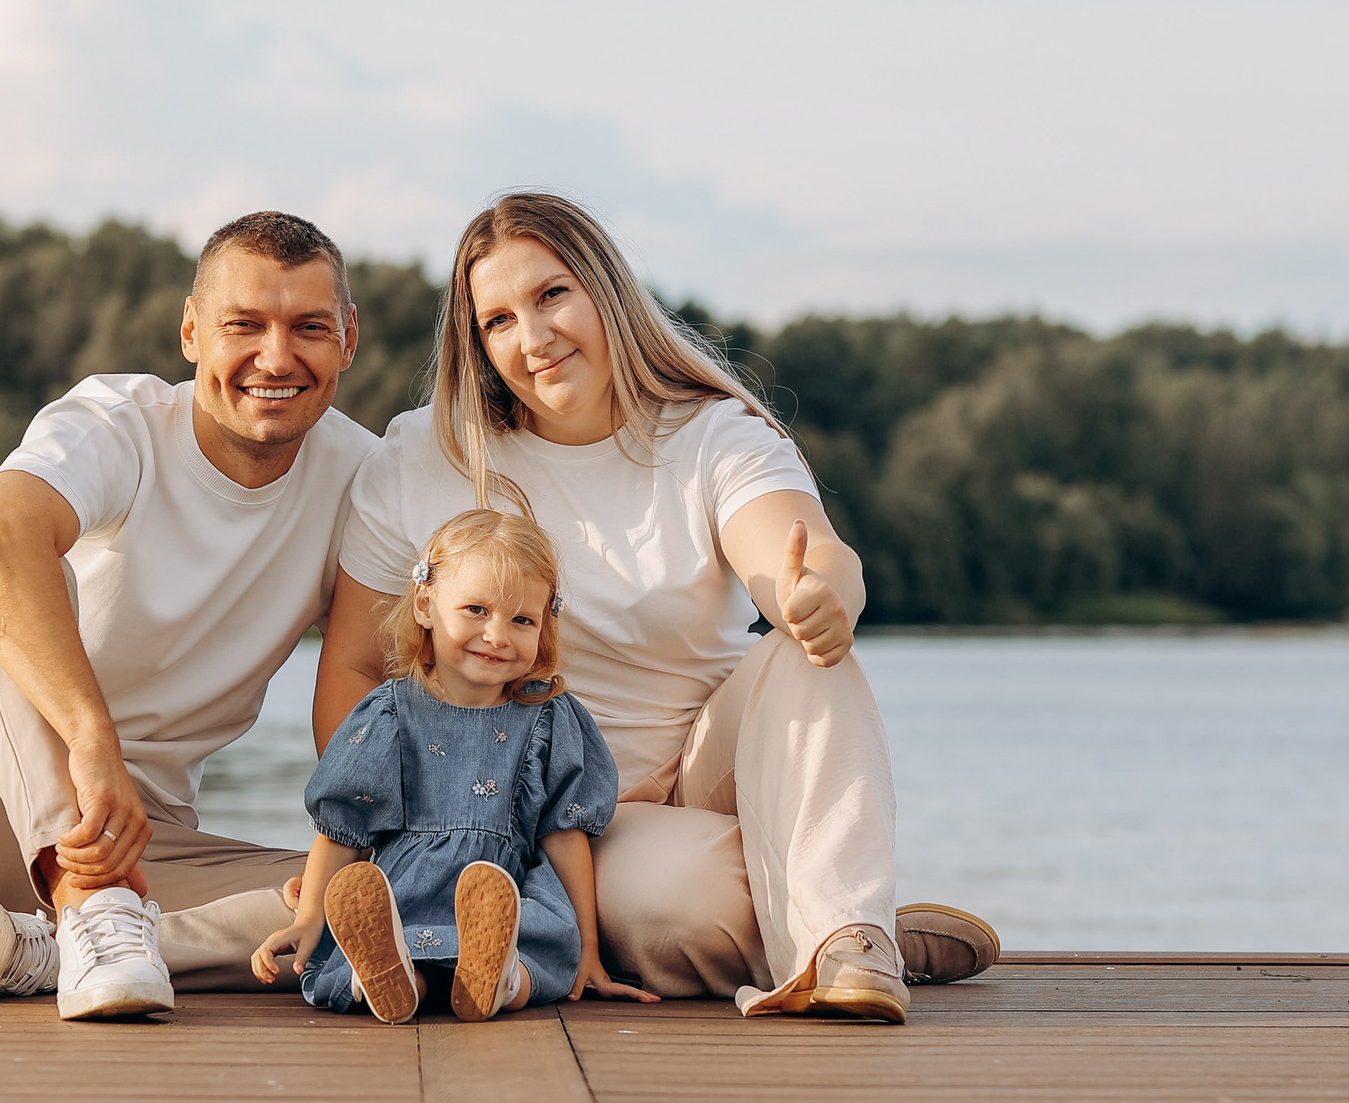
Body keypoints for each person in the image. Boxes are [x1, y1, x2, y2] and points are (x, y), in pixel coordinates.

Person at [318, 192, 999, 1023]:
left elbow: (804, 549)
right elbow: (354, 668)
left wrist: (816, 595)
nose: (533, 338)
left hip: (714, 768)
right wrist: (385, 834)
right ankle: (857, 916)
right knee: (679, 904)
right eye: (497, 320)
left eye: (552, 295)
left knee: (804, 651)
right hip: (554, 808)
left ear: (606, 290)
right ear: (476, 343)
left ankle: (850, 939)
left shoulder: (709, 433)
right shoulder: (424, 455)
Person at [0, 211, 378, 1021]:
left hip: (145, 844)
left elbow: (368, 683)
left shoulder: (362, 479)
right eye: (245, 325)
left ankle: (40, 951)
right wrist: (92, 740)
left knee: (370, 900)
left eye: (308, 327)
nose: (277, 356)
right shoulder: (116, 423)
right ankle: (88, 908)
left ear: (347, 340)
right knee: (9, 565)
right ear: (192, 332)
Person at [252, 509, 657, 1023]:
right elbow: (344, 827)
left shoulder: (547, 717)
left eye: (522, 620)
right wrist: (310, 918)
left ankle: (499, 979)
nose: (497, 635)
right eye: (476, 610)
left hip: (503, 894)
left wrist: (590, 950)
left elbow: (564, 835)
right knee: (392, 933)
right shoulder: (389, 715)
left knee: (537, 937)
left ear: (544, 627)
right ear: (425, 604)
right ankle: (396, 978)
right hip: (405, 893)